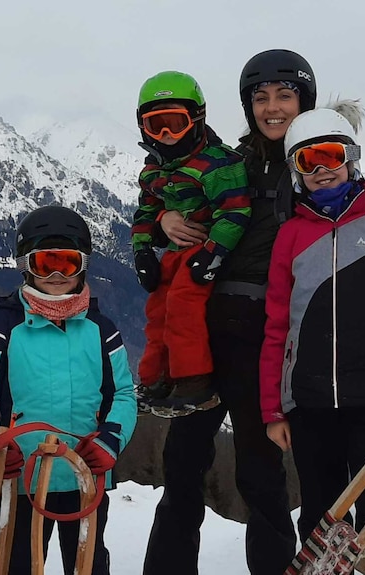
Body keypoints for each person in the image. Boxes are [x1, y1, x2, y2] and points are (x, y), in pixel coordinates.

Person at [143, 49, 365, 575]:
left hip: (270, 338)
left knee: (261, 475)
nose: (273, 108)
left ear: (306, 101)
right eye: (261, 98)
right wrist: (164, 217)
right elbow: (169, 180)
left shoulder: (317, 165)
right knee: (183, 464)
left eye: (286, 95)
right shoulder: (228, 161)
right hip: (211, 332)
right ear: (246, 105)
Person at [260, 101, 365, 559]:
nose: (321, 170)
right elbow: (277, 326)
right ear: (295, 170)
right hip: (311, 403)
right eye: (307, 160)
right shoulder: (290, 236)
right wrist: (274, 409)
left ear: (351, 158)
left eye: (331, 157)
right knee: (320, 516)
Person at [0, 205, 137, 575]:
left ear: (83, 265)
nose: (57, 275)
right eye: (45, 264)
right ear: (27, 265)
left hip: (85, 475)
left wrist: (110, 440)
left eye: (68, 264)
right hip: (21, 474)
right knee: (18, 564)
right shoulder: (1, 327)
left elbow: (123, 394)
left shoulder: (100, 329)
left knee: (87, 564)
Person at [132, 70, 251, 416]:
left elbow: (235, 211)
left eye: (175, 123)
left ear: (197, 118)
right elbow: (146, 210)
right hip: (173, 253)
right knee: (158, 309)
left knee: (183, 306)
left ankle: (193, 380)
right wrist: (142, 251)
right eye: (157, 126)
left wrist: (212, 254)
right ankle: (156, 378)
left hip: (204, 247)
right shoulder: (154, 169)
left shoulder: (217, 164)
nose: (167, 135)